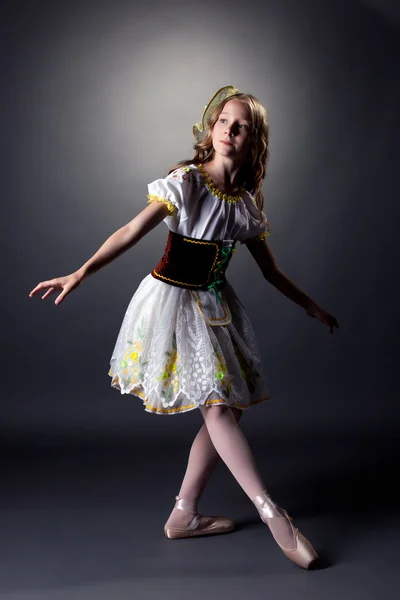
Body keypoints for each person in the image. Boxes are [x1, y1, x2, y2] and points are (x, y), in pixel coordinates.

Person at [29, 85, 339, 569]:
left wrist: (311, 306)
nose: (229, 132)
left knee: (229, 409)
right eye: (223, 123)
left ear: (254, 140)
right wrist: (81, 272)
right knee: (217, 407)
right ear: (210, 128)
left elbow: (271, 272)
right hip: (171, 303)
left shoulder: (245, 207)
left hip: (215, 306)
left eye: (241, 127)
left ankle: (184, 514)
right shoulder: (188, 182)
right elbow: (132, 230)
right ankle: (273, 512)